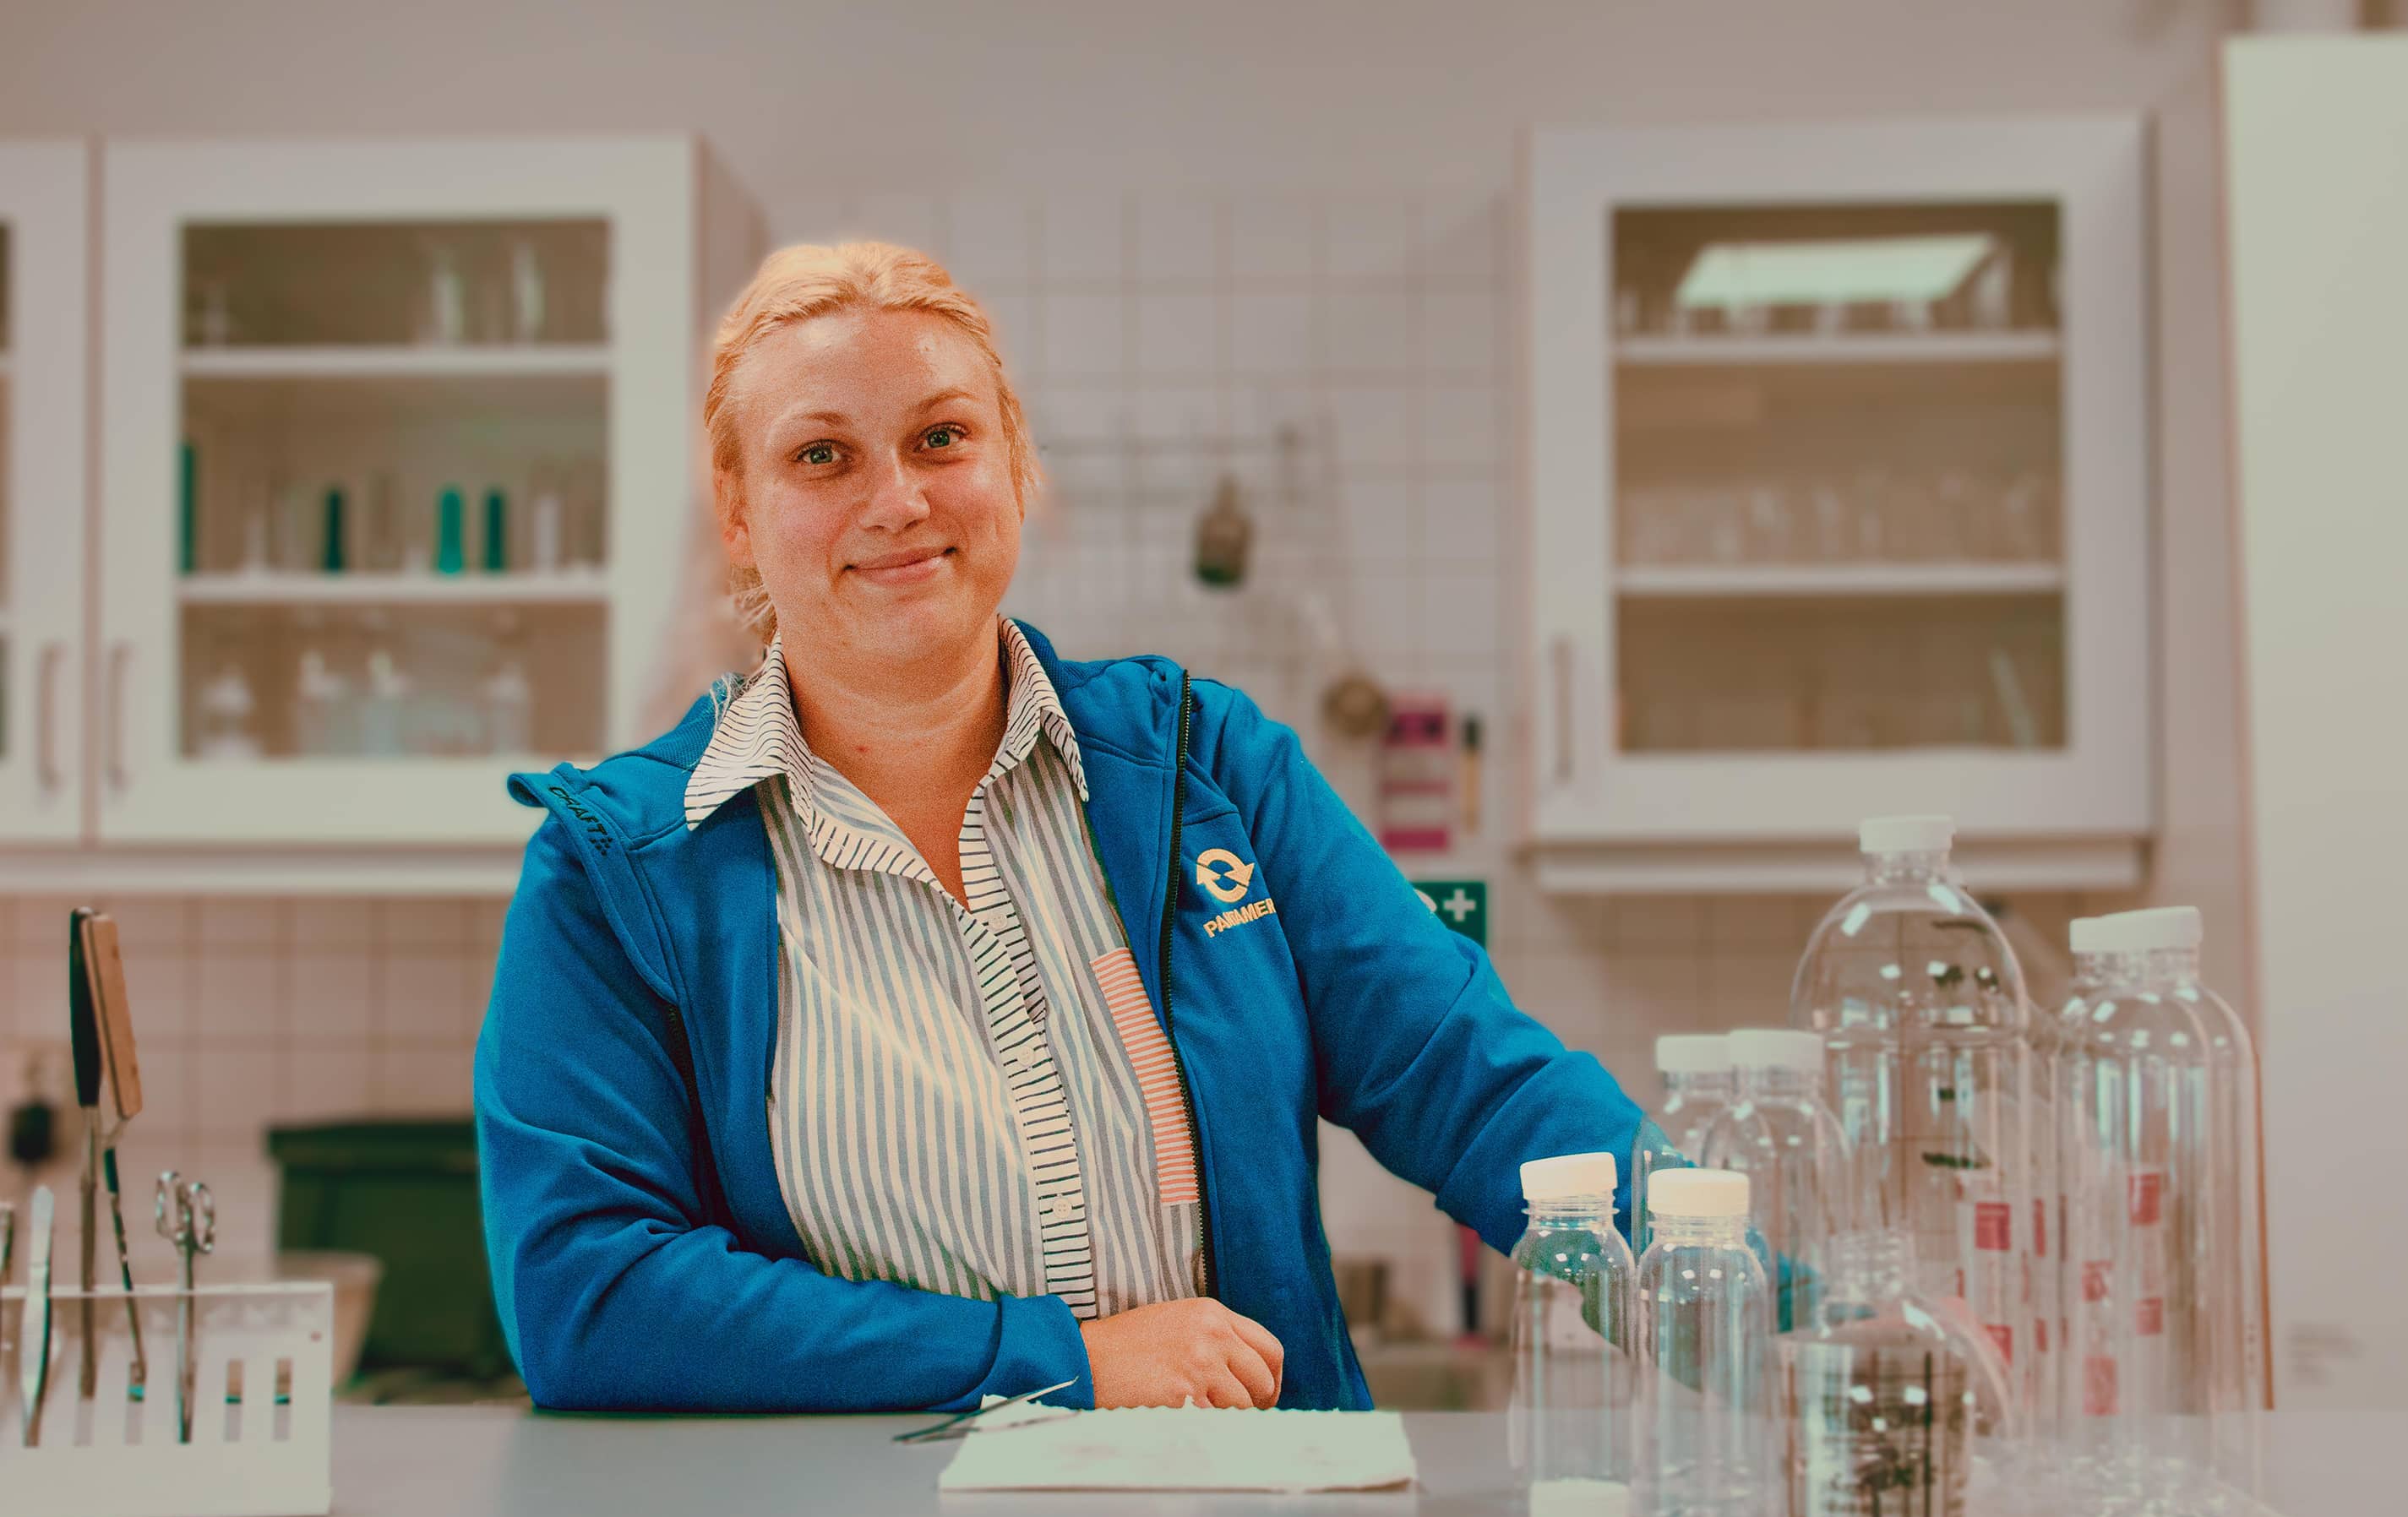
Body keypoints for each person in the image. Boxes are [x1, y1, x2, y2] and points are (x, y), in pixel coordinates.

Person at [474, 239, 1641, 1414]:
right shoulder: (618, 865)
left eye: (942, 439)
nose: (898, 501)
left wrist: (1751, 1293)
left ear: (1014, 462)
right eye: (823, 455)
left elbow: (1466, 1079)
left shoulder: (1203, 768)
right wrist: (1059, 1360)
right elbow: (591, 1296)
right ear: (739, 512)